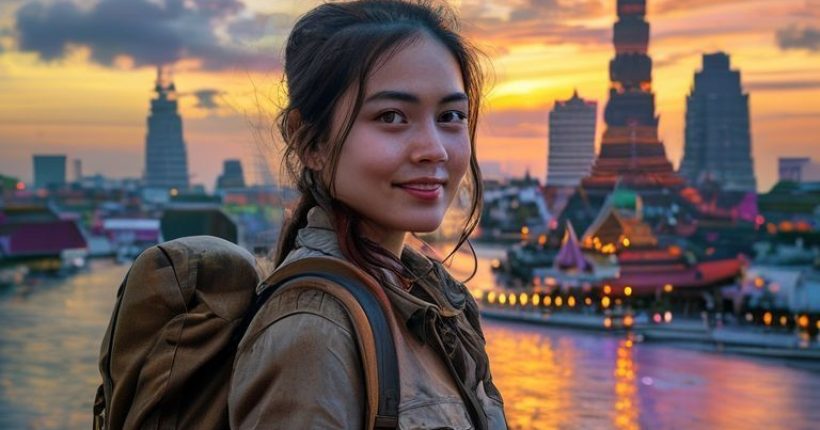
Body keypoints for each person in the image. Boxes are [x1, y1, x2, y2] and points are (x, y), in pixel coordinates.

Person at [229, 1, 507, 428]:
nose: (434, 148)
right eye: (392, 117)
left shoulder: (431, 297)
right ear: (311, 143)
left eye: (450, 116)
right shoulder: (315, 331)